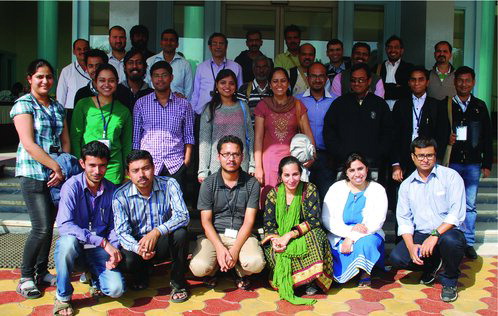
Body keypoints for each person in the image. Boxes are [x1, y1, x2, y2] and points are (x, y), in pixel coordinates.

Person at [10, 59, 69, 299]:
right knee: (41, 227)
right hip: (34, 173)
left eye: (48, 77)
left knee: (49, 227)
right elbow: (29, 144)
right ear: (30, 79)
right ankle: (25, 277)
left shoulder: (57, 106)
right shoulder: (23, 104)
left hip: (55, 176)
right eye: (39, 77)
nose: (45, 81)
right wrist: (55, 166)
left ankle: (42, 271)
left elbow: (65, 140)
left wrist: (62, 164)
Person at [389, 137, 466, 303]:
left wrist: (434, 235)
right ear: (413, 157)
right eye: (421, 155)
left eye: (429, 155)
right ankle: (432, 265)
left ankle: (450, 280)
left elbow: (456, 213)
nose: (425, 159)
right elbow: (404, 220)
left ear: (435, 155)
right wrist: (410, 247)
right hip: (422, 233)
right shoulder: (407, 185)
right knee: (397, 257)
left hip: (447, 231)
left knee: (452, 242)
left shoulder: (451, 176)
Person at [54, 141, 125, 316]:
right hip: (78, 247)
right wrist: (102, 241)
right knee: (66, 244)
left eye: (102, 166)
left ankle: (94, 276)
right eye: (92, 165)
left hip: (100, 249)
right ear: (82, 163)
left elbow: (115, 226)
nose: (97, 171)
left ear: (107, 165)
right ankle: (62, 297)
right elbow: (64, 225)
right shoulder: (72, 186)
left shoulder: (112, 189)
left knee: (116, 290)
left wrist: (113, 249)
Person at [113, 150, 190, 302]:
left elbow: (183, 216)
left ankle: (178, 283)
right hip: (138, 244)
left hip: (161, 239)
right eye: (135, 170)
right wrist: (138, 248)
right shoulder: (120, 195)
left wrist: (156, 232)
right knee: (126, 260)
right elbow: (122, 232)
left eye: (146, 168)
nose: (141, 174)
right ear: (128, 173)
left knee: (181, 233)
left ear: (154, 168)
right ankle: (141, 273)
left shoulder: (169, 184)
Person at [190, 135, 265, 289]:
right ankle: (218, 267)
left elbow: (249, 221)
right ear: (219, 157)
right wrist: (219, 248)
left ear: (242, 157)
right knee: (199, 267)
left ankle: (236, 269)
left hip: (241, 235)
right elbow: (206, 221)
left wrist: (235, 249)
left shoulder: (252, 184)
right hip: (214, 235)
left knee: (256, 263)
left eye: (236, 154)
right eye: (226, 154)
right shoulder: (208, 184)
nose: (231, 159)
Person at [262, 156, 333, 305]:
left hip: (302, 236)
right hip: (280, 237)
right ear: (280, 176)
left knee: (318, 235)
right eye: (286, 175)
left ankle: (310, 281)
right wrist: (276, 240)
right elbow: (268, 225)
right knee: (270, 249)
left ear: (301, 174)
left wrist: (289, 235)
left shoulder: (310, 190)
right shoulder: (273, 195)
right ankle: (294, 282)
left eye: (295, 174)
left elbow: (314, 220)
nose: (291, 179)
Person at [445, 66, 493, 259]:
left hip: (473, 163)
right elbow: (439, 130)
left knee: (470, 204)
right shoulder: (446, 105)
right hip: (453, 161)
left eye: (468, 81)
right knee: (451, 203)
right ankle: (452, 239)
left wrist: (487, 163)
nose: (464, 84)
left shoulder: (480, 106)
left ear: (473, 83)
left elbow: (488, 136)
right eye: (460, 80)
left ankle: (468, 242)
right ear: (454, 82)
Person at [322, 153, 387, 287]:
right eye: (352, 170)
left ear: (367, 169)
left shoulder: (377, 190)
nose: (357, 174)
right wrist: (348, 232)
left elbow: (377, 221)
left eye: (360, 169)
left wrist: (352, 237)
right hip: (339, 233)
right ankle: (348, 272)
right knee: (329, 247)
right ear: (346, 172)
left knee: (366, 244)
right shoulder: (336, 188)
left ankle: (364, 272)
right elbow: (327, 218)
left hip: (367, 233)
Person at [323, 63, 392, 180]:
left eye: (361, 80)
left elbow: (388, 132)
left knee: (372, 197)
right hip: (345, 164)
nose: (357, 83)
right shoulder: (339, 104)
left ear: (369, 81)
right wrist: (340, 152)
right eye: (353, 80)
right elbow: (329, 131)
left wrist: (378, 153)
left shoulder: (379, 104)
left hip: (372, 165)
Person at [133, 60, 195, 191]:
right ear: (151, 78)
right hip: (148, 165)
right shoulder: (141, 103)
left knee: (175, 207)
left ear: (171, 77)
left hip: (176, 164)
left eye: (164, 75)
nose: (160, 79)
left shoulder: (184, 104)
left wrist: (186, 162)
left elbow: (189, 135)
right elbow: (136, 137)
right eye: (156, 75)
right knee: (149, 204)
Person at [254, 67, 315, 196]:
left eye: (283, 81)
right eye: (275, 81)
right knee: (271, 199)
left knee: (292, 199)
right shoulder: (262, 106)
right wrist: (258, 167)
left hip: (292, 162)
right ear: (270, 85)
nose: (279, 85)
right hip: (269, 162)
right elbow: (258, 138)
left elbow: (308, 133)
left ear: (288, 84)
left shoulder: (298, 105)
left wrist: (312, 156)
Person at [71, 64, 132, 185]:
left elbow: (126, 145)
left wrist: (127, 173)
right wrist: (81, 163)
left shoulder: (123, 111)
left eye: (111, 81)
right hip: (88, 167)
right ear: (95, 82)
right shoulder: (83, 105)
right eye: (102, 80)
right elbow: (75, 137)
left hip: (113, 168)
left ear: (117, 82)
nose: (107, 84)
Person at [392, 66, 448, 182]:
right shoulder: (401, 104)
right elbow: (394, 135)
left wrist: (437, 160)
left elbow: (442, 134)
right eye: (413, 79)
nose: (417, 83)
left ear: (427, 82)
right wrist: (395, 163)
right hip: (405, 156)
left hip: (428, 157)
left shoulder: (436, 105)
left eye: (421, 79)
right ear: (409, 82)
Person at [198, 69, 254, 182]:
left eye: (231, 83)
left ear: (236, 86)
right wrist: (203, 170)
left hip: (241, 165)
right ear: (217, 85)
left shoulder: (243, 107)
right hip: (216, 166)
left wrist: (252, 164)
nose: (227, 86)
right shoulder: (210, 109)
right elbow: (205, 141)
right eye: (223, 82)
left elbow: (251, 137)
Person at [295, 62, 336, 201]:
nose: (317, 80)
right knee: (303, 197)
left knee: (326, 198)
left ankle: (323, 223)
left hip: (327, 157)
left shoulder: (335, 101)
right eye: (313, 76)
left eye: (321, 76)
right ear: (307, 78)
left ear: (326, 79)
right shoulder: (297, 100)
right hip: (304, 157)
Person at [191, 32, 243, 115]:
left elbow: (240, 93)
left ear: (226, 47)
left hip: (228, 114)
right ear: (210, 47)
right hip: (202, 113)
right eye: (214, 44)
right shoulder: (201, 67)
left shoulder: (236, 67)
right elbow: (195, 93)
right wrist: (192, 112)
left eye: (221, 43)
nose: (218, 46)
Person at [146, 29, 193, 99]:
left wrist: (184, 103)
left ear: (177, 44)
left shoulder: (185, 64)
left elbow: (189, 90)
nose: (168, 43)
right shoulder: (150, 61)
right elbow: (147, 86)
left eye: (172, 40)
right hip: (154, 104)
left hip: (178, 106)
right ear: (161, 43)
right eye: (165, 40)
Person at [375, 35, 413, 110]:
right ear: (386, 49)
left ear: (402, 50)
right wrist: (395, 87)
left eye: (396, 47)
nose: (393, 50)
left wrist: (385, 88)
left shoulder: (409, 68)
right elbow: (375, 90)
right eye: (390, 47)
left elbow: (409, 91)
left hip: (402, 111)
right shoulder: (377, 68)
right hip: (382, 110)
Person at [56, 39, 90, 112]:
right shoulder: (66, 71)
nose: (82, 51)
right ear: (74, 51)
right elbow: (61, 96)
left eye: (85, 49)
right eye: (79, 49)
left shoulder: (95, 70)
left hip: (92, 109)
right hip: (72, 110)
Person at [236, 55, 272, 122]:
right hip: (250, 131)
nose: (261, 70)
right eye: (258, 67)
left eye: (264, 67)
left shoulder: (274, 89)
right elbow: (239, 116)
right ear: (253, 69)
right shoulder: (244, 89)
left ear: (269, 69)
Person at [116, 48, 153, 112]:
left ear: (145, 67)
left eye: (139, 63)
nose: (135, 66)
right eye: (130, 63)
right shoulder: (116, 91)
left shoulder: (151, 94)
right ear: (124, 68)